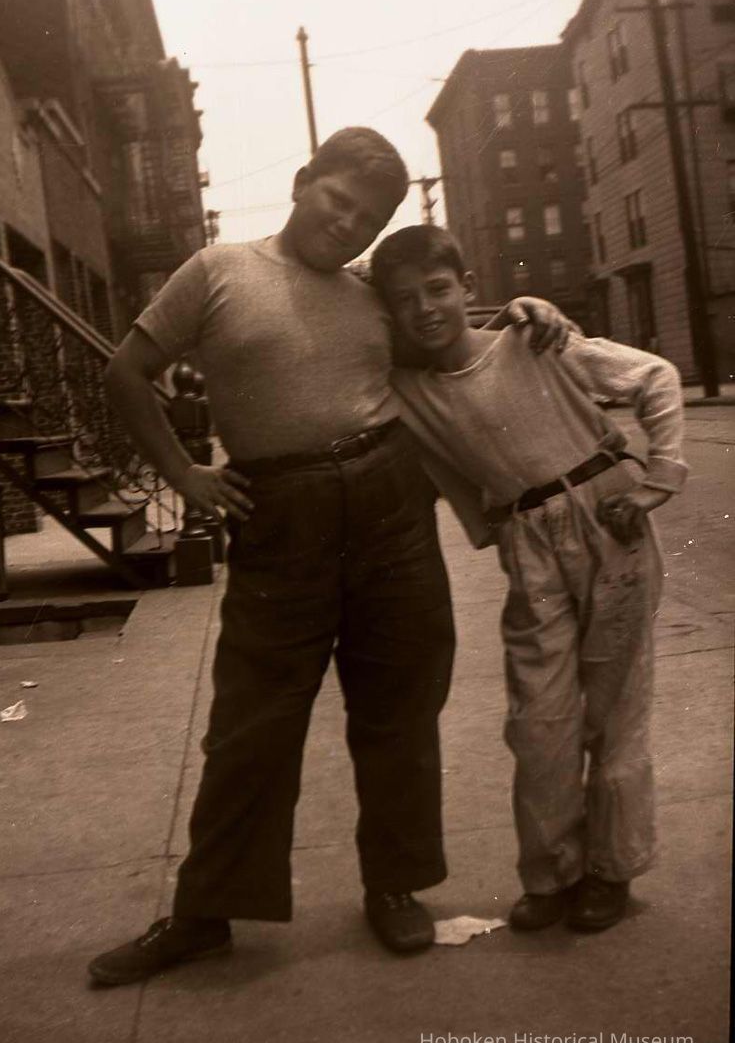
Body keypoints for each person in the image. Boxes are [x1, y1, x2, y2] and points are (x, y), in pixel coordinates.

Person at [88, 129, 570, 987]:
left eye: (367, 217)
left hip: (390, 507)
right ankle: (204, 914)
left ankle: (394, 887)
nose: (346, 225)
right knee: (250, 726)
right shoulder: (217, 270)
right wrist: (183, 474)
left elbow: (457, 341)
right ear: (303, 181)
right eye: (336, 200)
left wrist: (529, 311)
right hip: (279, 514)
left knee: (398, 708)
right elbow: (126, 373)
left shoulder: (369, 296)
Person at [369, 224, 687, 935]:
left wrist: (657, 483)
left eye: (438, 290)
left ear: (466, 289)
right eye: (404, 299)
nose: (424, 308)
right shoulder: (407, 389)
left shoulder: (532, 341)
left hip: (609, 524)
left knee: (613, 711)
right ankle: (550, 874)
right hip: (527, 542)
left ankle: (610, 870)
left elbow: (654, 378)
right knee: (537, 720)